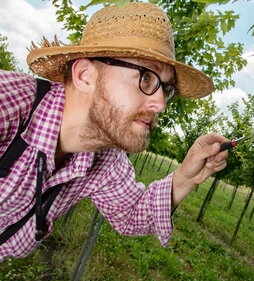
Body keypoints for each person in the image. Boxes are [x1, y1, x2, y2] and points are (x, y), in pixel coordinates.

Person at [0, 2, 229, 261]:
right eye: (145, 78)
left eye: (165, 88)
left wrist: (185, 177)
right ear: (85, 75)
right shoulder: (8, 104)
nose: (161, 104)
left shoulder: (105, 158)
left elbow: (132, 214)